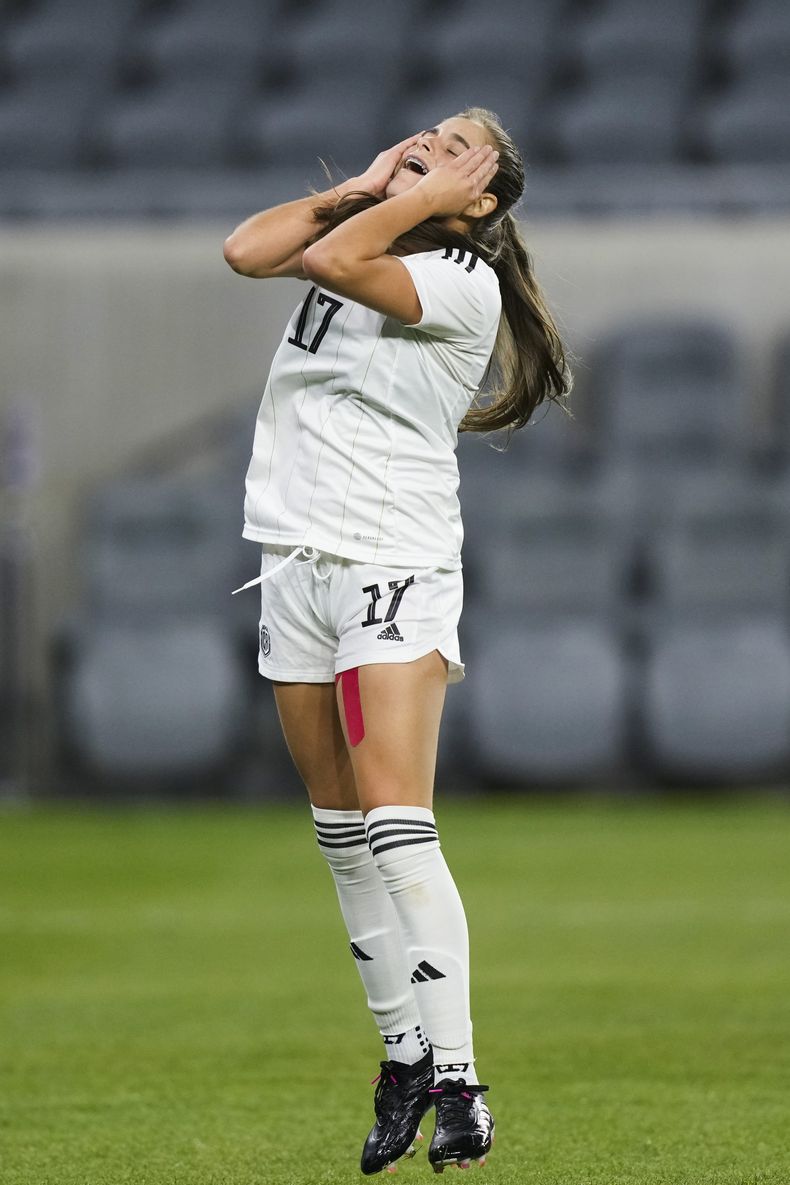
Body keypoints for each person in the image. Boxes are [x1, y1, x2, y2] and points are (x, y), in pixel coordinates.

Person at [223, 107, 570, 1175]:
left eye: (458, 148)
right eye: (429, 130)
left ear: (484, 202)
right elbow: (247, 251)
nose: (429, 142)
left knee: (395, 824)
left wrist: (408, 196)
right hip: (295, 563)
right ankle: (402, 1060)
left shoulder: (457, 282)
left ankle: (458, 1080)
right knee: (338, 830)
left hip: (389, 568)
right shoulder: (370, 227)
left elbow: (331, 257)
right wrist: (371, 181)